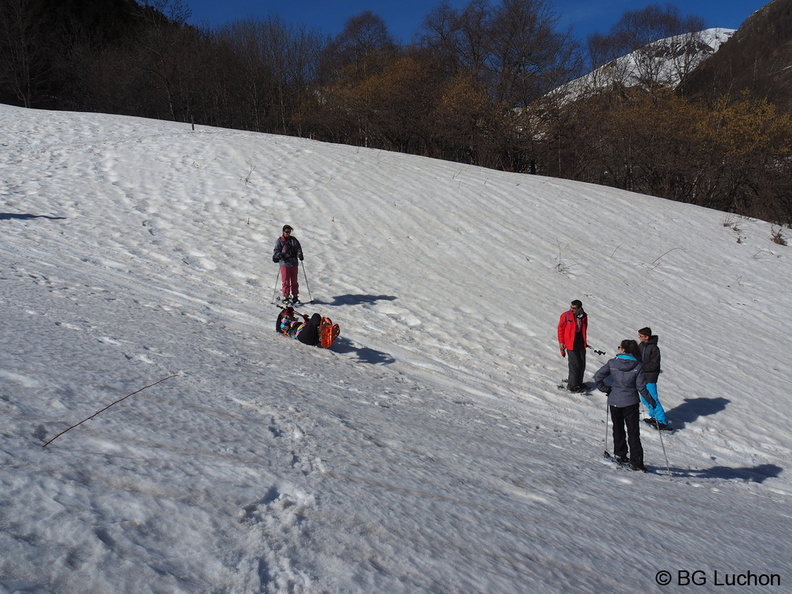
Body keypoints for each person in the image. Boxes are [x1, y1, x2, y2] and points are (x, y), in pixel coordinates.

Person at [594, 339, 655, 472]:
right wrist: (651, 401)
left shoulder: (612, 363)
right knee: (633, 432)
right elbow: (641, 387)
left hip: (615, 400)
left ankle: (620, 454)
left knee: (618, 428)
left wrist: (606, 389)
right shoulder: (638, 366)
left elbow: (597, 376)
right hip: (631, 402)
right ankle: (636, 462)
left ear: (623, 350)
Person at [637, 327, 672, 431]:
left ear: (647, 337)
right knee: (645, 398)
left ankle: (662, 421)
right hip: (642, 376)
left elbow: (654, 365)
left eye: (641, 336)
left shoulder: (654, 348)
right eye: (638, 335)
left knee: (653, 398)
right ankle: (653, 416)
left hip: (650, 377)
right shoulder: (641, 345)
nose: (639, 337)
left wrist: (641, 367)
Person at [557, 300, 588, 392]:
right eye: (571, 307)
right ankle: (572, 385)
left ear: (579, 308)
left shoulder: (584, 316)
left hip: (580, 341)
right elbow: (560, 329)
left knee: (581, 362)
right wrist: (561, 342)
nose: (571, 309)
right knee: (574, 364)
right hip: (570, 342)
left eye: (574, 308)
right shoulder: (566, 316)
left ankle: (579, 383)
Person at [272, 225, 303, 305]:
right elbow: (276, 251)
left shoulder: (293, 240)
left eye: (289, 232)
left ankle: (295, 296)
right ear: (283, 231)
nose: (288, 233)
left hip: (293, 263)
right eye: (286, 232)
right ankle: (286, 296)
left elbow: (298, 248)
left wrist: (300, 254)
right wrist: (280, 255)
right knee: (286, 281)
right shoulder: (279, 241)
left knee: (294, 281)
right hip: (284, 264)